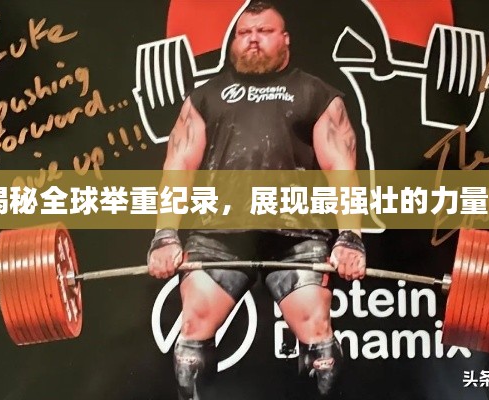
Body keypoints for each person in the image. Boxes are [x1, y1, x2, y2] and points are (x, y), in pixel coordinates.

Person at [147, 2, 366, 399]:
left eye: (264, 31)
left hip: (298, 236)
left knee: (321, 350)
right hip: (219, 235)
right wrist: (165, 235)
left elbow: (341, 167)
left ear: (285, 39)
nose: (252, 39)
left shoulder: (315, 94)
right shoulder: (206, 96)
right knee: (190, 346)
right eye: (244, 33)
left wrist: (350, 237)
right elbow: (178, 165)